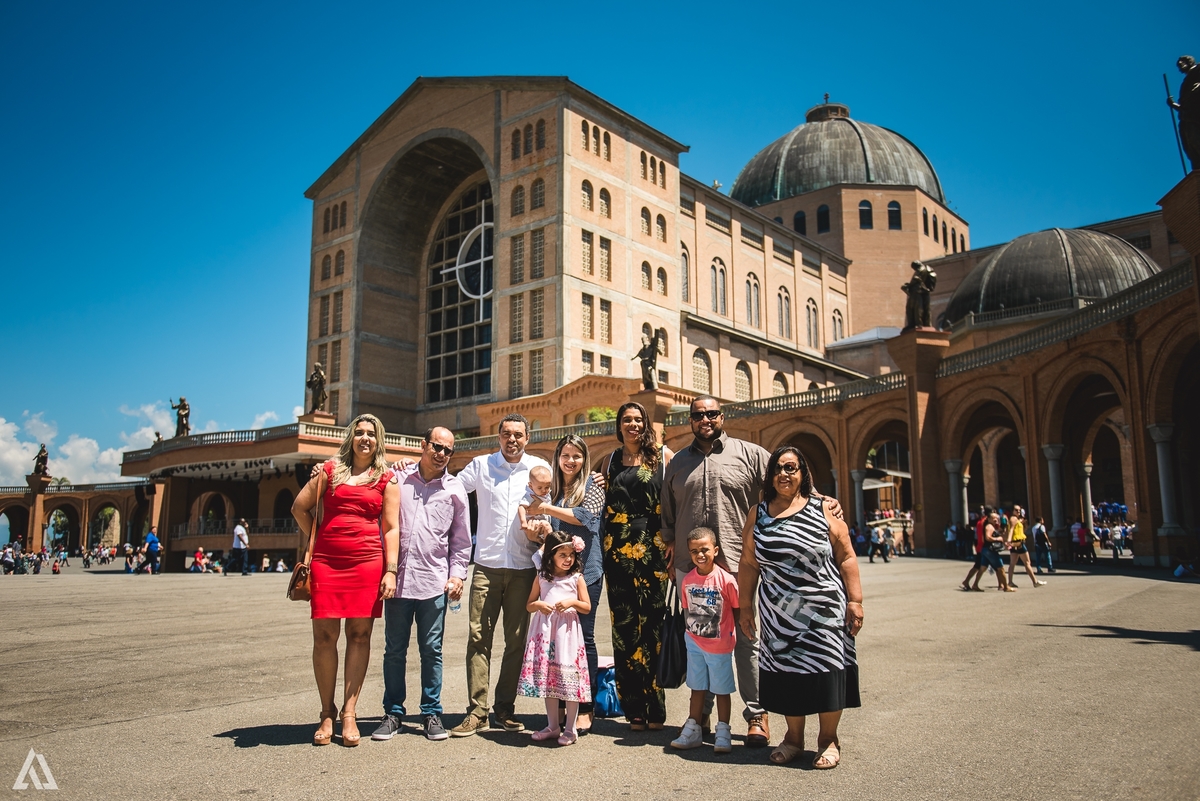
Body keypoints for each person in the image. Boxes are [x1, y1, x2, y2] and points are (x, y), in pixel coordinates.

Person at [738, 446, 863, 768]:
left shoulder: (824, 509)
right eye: (778, 468)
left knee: (827, 671)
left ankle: (828, 739)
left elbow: (846, 556)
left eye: (791, 468)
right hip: (778, 614)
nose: (784, 474)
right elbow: (749, 562)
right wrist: (745, 606)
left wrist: (855, 600)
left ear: (803, 474)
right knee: (787, 674)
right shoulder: (758, 513)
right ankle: (793, 738)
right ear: (770, 475)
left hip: (824, 611)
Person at [291, 414, 400, 747]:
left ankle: (349, 713)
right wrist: (319, 537)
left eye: (371, 434)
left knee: (360, 635)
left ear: (379, 440)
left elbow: (391, 528)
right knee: (324, 636)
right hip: (326, 563)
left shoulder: (387, 479)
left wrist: (391, 570)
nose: (365, 438)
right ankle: (327, 712)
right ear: (351, 437)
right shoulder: (328, 472)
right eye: (359, 432)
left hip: (367, 563)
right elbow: (299, 508)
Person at [450, 413, 550, 736]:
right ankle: (477, 711)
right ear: (499, 437)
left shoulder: (538, 469)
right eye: (506, 434)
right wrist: (406, 472)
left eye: (518, 434)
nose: (512, 440)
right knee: (478, 638)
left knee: (516, 642)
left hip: (523, 568)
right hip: (486, 567)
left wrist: (542, 528)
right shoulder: (481, 466)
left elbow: (553, 505)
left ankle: (505, 708)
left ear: (527, 438)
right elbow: (450, 487)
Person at [372, 427, 471, 743]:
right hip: (398, 581)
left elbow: (461, 540)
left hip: (434, 583)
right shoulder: (397, 478)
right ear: (423, 445)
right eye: (436, 447)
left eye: (447, 450)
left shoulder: (455, 489)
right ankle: (393, 713)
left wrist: (457, 575)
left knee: (432, 651)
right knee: (394, 651)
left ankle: (431, 713)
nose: (441, 454)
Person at [522, 434, 606, 734]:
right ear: (557, 458)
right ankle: (559, 706)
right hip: (554, 576)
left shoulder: (593, 486)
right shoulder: (552, 489)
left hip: (585, 573)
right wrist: (537, 530)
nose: (571, 461)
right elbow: (550, 532)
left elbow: (584, 517)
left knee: (584, 639)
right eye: (566, 455)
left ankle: (586, 706)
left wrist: (544, 510)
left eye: (577, 456)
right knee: (557, 643)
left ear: (585, 459)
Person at [603, 401, 674, 731]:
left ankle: (655, 707)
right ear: (619, 425)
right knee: (624, 629)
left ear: (646, 423)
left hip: (653, 549)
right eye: (626, 420)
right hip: (617, 551)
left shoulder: (663, 456)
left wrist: (673, 540)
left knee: (653, 628)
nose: (632, 424)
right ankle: (633, 707)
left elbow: (676, 500)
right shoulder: (610, 460)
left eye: (638, 419)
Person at [518, 531, 592, 745]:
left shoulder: (576, 578)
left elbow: (586, 607)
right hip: (546, 634)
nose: (568, 559)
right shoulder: (542, 577)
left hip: (567, 636)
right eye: (563, 555)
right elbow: (529, 604)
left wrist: (572, 602)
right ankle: (552, 726)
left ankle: (570, 728)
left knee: (569, 680)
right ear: (550, 556)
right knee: (550, 679)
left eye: (571, 555)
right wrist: (539, 605)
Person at [671, 527, 738, 754]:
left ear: (715, 550)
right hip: (694, 643)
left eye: (705, 550)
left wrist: (733, 633)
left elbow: (736, 607)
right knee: (696, 687)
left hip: (719, 646)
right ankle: (693, 728)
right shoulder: (688, 580)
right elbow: (687, 608)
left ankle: (723, 730)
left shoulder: (726, 580)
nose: (700, 555)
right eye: (694, 551)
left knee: (721, 690)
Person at [1005, 506, 1045, 588]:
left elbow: (1017, 530)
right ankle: (1035, 581)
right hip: (1018, 543)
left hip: (1015, 543)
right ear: (1012, 511)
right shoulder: (1013, 519)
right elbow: (1011, 529)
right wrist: (1008, 540)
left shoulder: (1016, 519)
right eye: (1016, 510)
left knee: (1012, 563)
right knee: (1027, 563)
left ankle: (1010, 582)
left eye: (1019, 510)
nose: (1018, 511)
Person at [517, 465, 554, 533]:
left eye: (547, 487)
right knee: (547, 527)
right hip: (534, 523)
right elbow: (521, 507)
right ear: (531, 486)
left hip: (544, 521)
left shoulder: (547, 494)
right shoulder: (530, 495)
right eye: (540, 488)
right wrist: (523, 521)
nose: (544, 490)